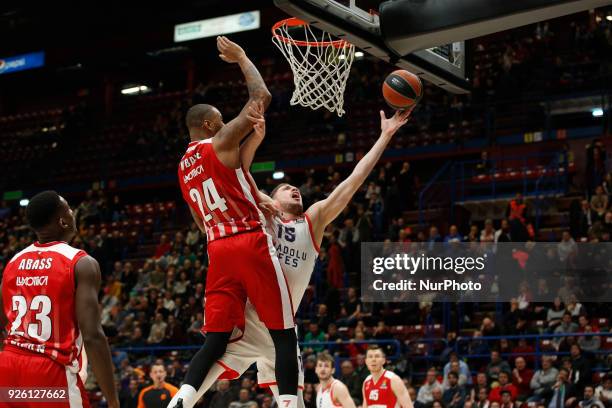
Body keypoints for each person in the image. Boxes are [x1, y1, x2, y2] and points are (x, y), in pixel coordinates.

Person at [169, 104, 413, 408]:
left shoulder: (313, 221)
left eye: (296, 188)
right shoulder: (257, 218)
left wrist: (385, 136)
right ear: (272, 198)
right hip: (243, 331)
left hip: (281, 337)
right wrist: (257, 192)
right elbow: (236, 176)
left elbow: (352, 182)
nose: (294, 189)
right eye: (286, 187)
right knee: (189, 395)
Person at [172, 36, 299, 408]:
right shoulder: (219, 141)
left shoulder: (182, 167)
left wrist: (252, 198)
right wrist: (243, 57)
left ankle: (181, 399)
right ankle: (290, 404)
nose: (227, 123)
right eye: (222, 121)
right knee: (284, 335)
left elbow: (200, 218)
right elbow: (261, 98)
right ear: (212, 123)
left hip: (217, 249)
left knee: (215, 340)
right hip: (249, 241)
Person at [0, 190, 119, 408]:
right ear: (63, 221)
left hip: (8, 369)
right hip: (48, 373)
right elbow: (92, 335)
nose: (73, 213)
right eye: (69, 209)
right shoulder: (81, 263)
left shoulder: (13, 263)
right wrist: (112, 400)